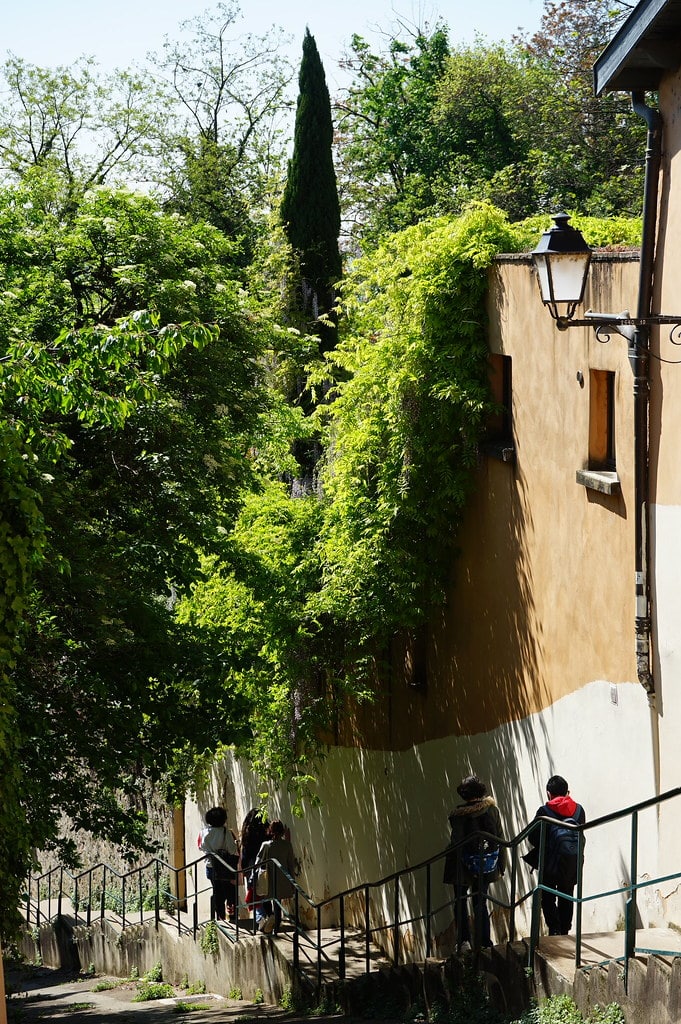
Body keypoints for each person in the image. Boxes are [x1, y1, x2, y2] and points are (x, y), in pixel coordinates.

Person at [442, 775, 506, 950]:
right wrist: (501, 865)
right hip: (485, 864)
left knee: (460, 901)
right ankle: (484, 942)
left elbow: (455, 842)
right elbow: (500, 838)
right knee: (480, 901)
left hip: (461, 865)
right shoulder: (493, 810)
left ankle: (464, 941)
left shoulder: (457, 816)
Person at [525, 775, 586, 936]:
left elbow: (532, 836)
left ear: (548, 793)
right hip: (572, 862)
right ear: (567, 791)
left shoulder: (544, 812)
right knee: (567, 895)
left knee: (548, 896)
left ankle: (554, 929)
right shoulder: (579, 810)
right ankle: (565, 929)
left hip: (550, 862)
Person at [253, 819, 296, 936]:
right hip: (282, 878)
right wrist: (292, 881)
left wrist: (255, 875)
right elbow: (290, 864)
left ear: (270, 831)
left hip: (269, 877)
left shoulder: (266, 845)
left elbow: (258, 861)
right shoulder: (287, 845)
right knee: (278, 902)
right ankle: (276, 927)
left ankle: (270, 917)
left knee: (265, 898)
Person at [199, 806, 239, 922]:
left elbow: (201, 847)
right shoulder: (225, 832)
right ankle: (232, 916)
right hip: (225, 866)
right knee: (229, 891)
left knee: (217, 891)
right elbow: (232, 850)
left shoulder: (203, 832)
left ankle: (220, 917)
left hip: (211, 867)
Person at [238, 808, 269, 916]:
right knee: (265, 891)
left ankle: (261, 918)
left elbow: (245, 853)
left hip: (251, 865)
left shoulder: (248, 834)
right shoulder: (266, 834)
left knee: (254, 892)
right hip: (265, 863)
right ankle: (268, 915)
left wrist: (243, 868)